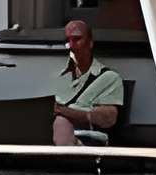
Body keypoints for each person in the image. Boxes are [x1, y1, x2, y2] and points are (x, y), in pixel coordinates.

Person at [53, 18, 124, 147]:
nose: (71, 46)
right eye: (67, 41)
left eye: (77, 39)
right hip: (51, 137)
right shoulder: (58, 78)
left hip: (87, 139)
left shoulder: (109, 78)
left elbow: (109, 119)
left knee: (61, 122)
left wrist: (67, 112)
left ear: (90, 43)